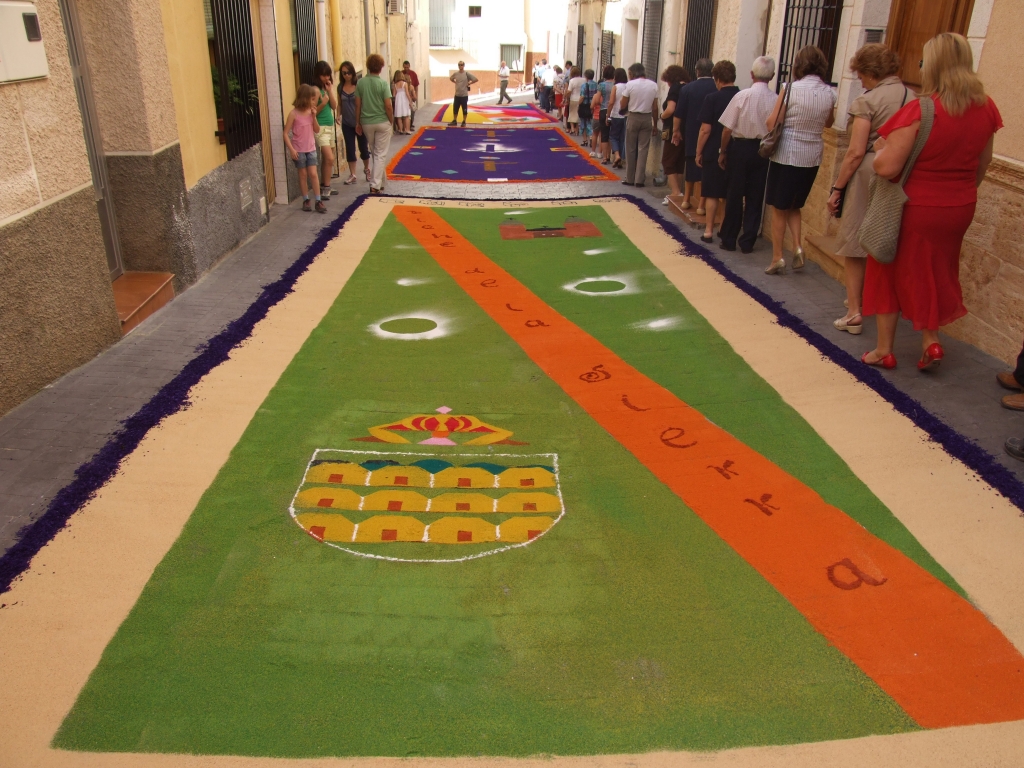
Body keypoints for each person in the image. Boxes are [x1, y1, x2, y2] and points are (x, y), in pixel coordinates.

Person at [861, 33, 1001, 371]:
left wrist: (879, 152)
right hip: (959, 205)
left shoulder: (921, 110)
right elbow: (983, 163)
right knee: (935, 270)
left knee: (887, 268)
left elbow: (888, 166)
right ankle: (930, 341)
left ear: (932, 66)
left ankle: (884, 349)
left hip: (915, 206)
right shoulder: (986, 107)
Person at [827, 44, 908, 335]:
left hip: (868, 174)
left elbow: (855, 152)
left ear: (870, 72)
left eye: (860, 74)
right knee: (885, 239)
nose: (859, 80)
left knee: (855, 240)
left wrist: (837, 187)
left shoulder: (868, 101)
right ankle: (875, 302)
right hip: (902, 174)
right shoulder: (913, 97)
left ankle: (854, 311)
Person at [764, 46, 836, 275]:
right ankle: (797, 246)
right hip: (812, 156)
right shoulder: (830, 93)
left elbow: (772, 122)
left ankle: (777, 257)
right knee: (795, 205)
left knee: (779, 208)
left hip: (787, 153)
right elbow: (829, 123)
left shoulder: (789, 89)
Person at [717, 56, 777, 253]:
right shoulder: (776, 100)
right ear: (773, 76)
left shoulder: (742, 96)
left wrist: (723, 151)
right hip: (762, 149)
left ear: (751, 74)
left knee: (734, 193)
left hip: (740, 148)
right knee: (755, 195)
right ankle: (748, 240)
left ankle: (729, 238)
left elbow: (727, 129)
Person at [695, 60, 740, 243]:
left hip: (713, 149)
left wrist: (698, 152)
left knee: (712, 191)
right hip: (735, 150)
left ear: (718, 79)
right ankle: (723, 226)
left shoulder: (712, 98)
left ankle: (708, 230)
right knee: (728, 193)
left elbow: (705, 129)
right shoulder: (742, 97)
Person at [672, 58, 717, 212]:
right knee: (708, 171)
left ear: (697, 71)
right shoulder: (717, 87)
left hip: (692, 132)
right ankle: (702, 206)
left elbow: (679, 114)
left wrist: (676, 131)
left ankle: (686, 200)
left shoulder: (687, 89)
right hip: (712, 133)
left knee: (691, 166)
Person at [355, 53, 394, 194]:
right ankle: (375, 184)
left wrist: (357, 122)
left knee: (376, 152)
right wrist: (392, 120)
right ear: (381, 67)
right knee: (380, 153)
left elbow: (357, 105)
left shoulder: (360, 83)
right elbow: (388, 105)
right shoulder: (383, 84)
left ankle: (381, 181)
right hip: (382, 121)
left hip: (366, 122)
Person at [284, 84, 325, 213]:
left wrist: (314, 116)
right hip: (299, 149)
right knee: (302, 174)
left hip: (311, 148)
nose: (314, 102)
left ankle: (318, 200)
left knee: (313, 174)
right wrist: (291, 149)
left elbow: (317, 130)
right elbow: (285, 133)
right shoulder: (293, 114)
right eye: (312, 99)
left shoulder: (311, 112)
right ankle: (306, 199)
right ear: (304, 98)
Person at [619, 62, 659, 187]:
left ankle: (630, 178)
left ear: (633, 73)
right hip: (647, 118)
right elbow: (655, 107)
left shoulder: (630, 85)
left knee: (630, 148)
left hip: (633, 116)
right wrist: (655, 124)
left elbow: (623, 103)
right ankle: (639, 179)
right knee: (643, 149)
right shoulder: (653, 85)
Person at [659, 65, 689, 204]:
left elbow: (671, 109)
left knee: (668, 160)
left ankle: (675, 192)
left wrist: (662, 116)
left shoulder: (675, 88)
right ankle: (680, 191)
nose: (668, 84)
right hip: (687, 128)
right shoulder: (688, 86)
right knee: (679, 161)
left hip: (673, 129)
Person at [337, 61, 370, 185]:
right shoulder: (340, 87)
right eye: (344, 73)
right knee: (350, 149)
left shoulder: (358, 85)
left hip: (360, 122)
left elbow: (363, 103)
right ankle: (353, 174)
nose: (347, 75)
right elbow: (340, 104)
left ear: (353, 72)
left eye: (349, 72)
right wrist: (338, 116)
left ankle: (367, 169)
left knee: (363, 148)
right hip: (346, 123)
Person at [312, 61, 338, 199]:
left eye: (328, 75)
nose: (327, 78)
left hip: (330, 126)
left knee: (327, 160)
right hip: (320, 127)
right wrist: (322, 102)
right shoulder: (315, 90)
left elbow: (334, 106)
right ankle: (326, 188)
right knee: (329, 157)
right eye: (324, 76)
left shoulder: (325, 89)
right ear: (318, 75)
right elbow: (312, 113)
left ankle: (325, 185)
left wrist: (330, 91)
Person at [592, 65, 616, 162]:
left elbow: (597, 99)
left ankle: (605, 157)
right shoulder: (616, 84)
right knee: (612, 134)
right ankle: (610, 155)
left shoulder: (601, 85)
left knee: (604, 134)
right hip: (614, 111)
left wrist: (602, 103)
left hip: (604, 110)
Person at [608, 67, 628, 168]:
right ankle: (620, 160)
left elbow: (611, 102)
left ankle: (617, 155)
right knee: (622, 137)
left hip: (616, 114)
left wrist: (608, 115)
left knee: (613, 136)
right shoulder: (628, 86)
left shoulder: (616, 87)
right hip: (625, 115)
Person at [449, 61, 478, 126]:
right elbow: (451, 78)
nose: (460, 66)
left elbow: (475, 79)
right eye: (459, 65)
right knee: (455, 108)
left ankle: (464, 121)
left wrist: (469, 83)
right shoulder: (456, 74)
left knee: (464, 109)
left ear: (464, 66)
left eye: (461, 65)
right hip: (457, 94)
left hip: (464, 95)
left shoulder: (466, 74)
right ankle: (454, 120)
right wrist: (455, 82)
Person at [579, 69, 597, 143]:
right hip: (593, 104)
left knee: (583, 121)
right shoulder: (596, 84)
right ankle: (591, 136)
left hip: (584, 105)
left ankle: (584, 140)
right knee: (590, 121)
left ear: (586, 76)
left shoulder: (584, 85)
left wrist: (579, 104)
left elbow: (582, 96)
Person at [566, 67, 583, 135]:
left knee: (572, 114)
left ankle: (572, 128)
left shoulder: (572, 80)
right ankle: (577, 129)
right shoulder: (583, 80)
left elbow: (569, 91)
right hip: (581, 99)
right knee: (578, 114)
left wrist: (566, 97)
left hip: (573, 98)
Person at [402, 61, 419, 128]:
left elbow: (416, 86)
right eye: (405, 67)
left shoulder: (413, 74)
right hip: (404, 97)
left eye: (407, 67)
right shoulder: (401, 73)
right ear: (403, 66)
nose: (406, 68)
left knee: (412, 111)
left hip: (412, 95)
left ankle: (411, 124)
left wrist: (416, 95)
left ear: (409, 66)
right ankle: (406, 126)